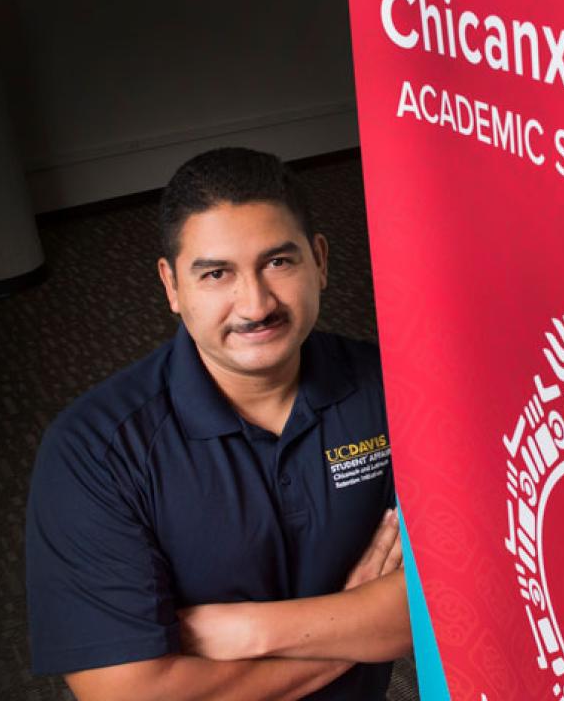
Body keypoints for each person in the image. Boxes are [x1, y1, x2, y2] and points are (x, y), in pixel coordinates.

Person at [24, 147, 410, 700]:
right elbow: (127, 693)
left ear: (320, 261)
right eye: (216, 274)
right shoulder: (94, 453)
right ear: (171, 286)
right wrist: (356, 626)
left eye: (278, 263)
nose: (255, 304)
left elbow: (450, 596)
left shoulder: (396, 389)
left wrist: (249, 630)